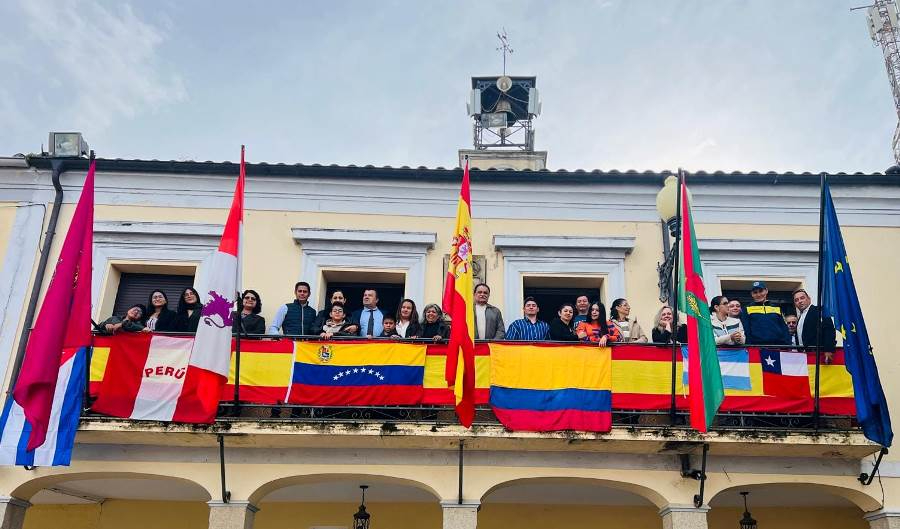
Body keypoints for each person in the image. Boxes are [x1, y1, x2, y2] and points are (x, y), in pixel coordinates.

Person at [792, 288, 837, 359]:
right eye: (796, 300)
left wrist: (828, 349)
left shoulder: (819, 310)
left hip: (818, 355)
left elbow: (829, 330)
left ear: (809, 299)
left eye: (802, 298)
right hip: (803, 357)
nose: (800, 301)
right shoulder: (800, 317)